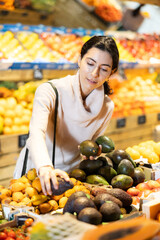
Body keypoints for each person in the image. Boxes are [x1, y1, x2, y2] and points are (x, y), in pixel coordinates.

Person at [14, 35, 119, 195]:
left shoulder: (106, 107)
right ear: (79, 60)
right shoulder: (50, 91)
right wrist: (45, 167)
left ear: (111, 73)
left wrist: (92, 154)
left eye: (103, 69)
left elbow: (88, 145)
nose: (94, 73)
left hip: (71, 179)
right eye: (90, 64)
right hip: (37, 172)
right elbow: (36, 133)